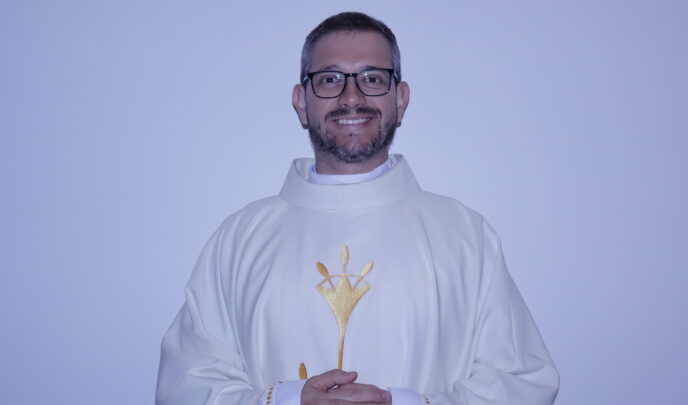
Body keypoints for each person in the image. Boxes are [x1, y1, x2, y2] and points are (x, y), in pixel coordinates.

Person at [156, 11, 559, 405]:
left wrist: (402, 403)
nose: (352, 97)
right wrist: (286, 401)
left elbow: (521, 382)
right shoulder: (241, 239)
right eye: (330, 79)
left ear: (400, 99)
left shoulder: (464, 236)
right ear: (302, 102)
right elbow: (185, 385)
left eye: (372, 78)